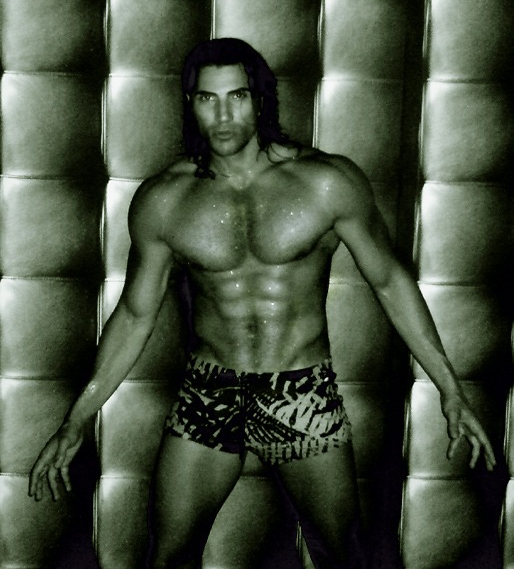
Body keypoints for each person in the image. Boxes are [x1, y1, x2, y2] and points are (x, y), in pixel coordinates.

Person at [29, 38, 496, 568]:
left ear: (260, 100)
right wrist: (76, 419)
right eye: (207, 99)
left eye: (237, 96)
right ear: (190, 104)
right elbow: (136, 315)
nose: (223, 115)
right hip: (210, 391)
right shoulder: (164, 200)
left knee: (340, 554)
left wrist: (450, 389)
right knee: (170, 557)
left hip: (299, 390)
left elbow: (390, 282)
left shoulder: (326, 182)